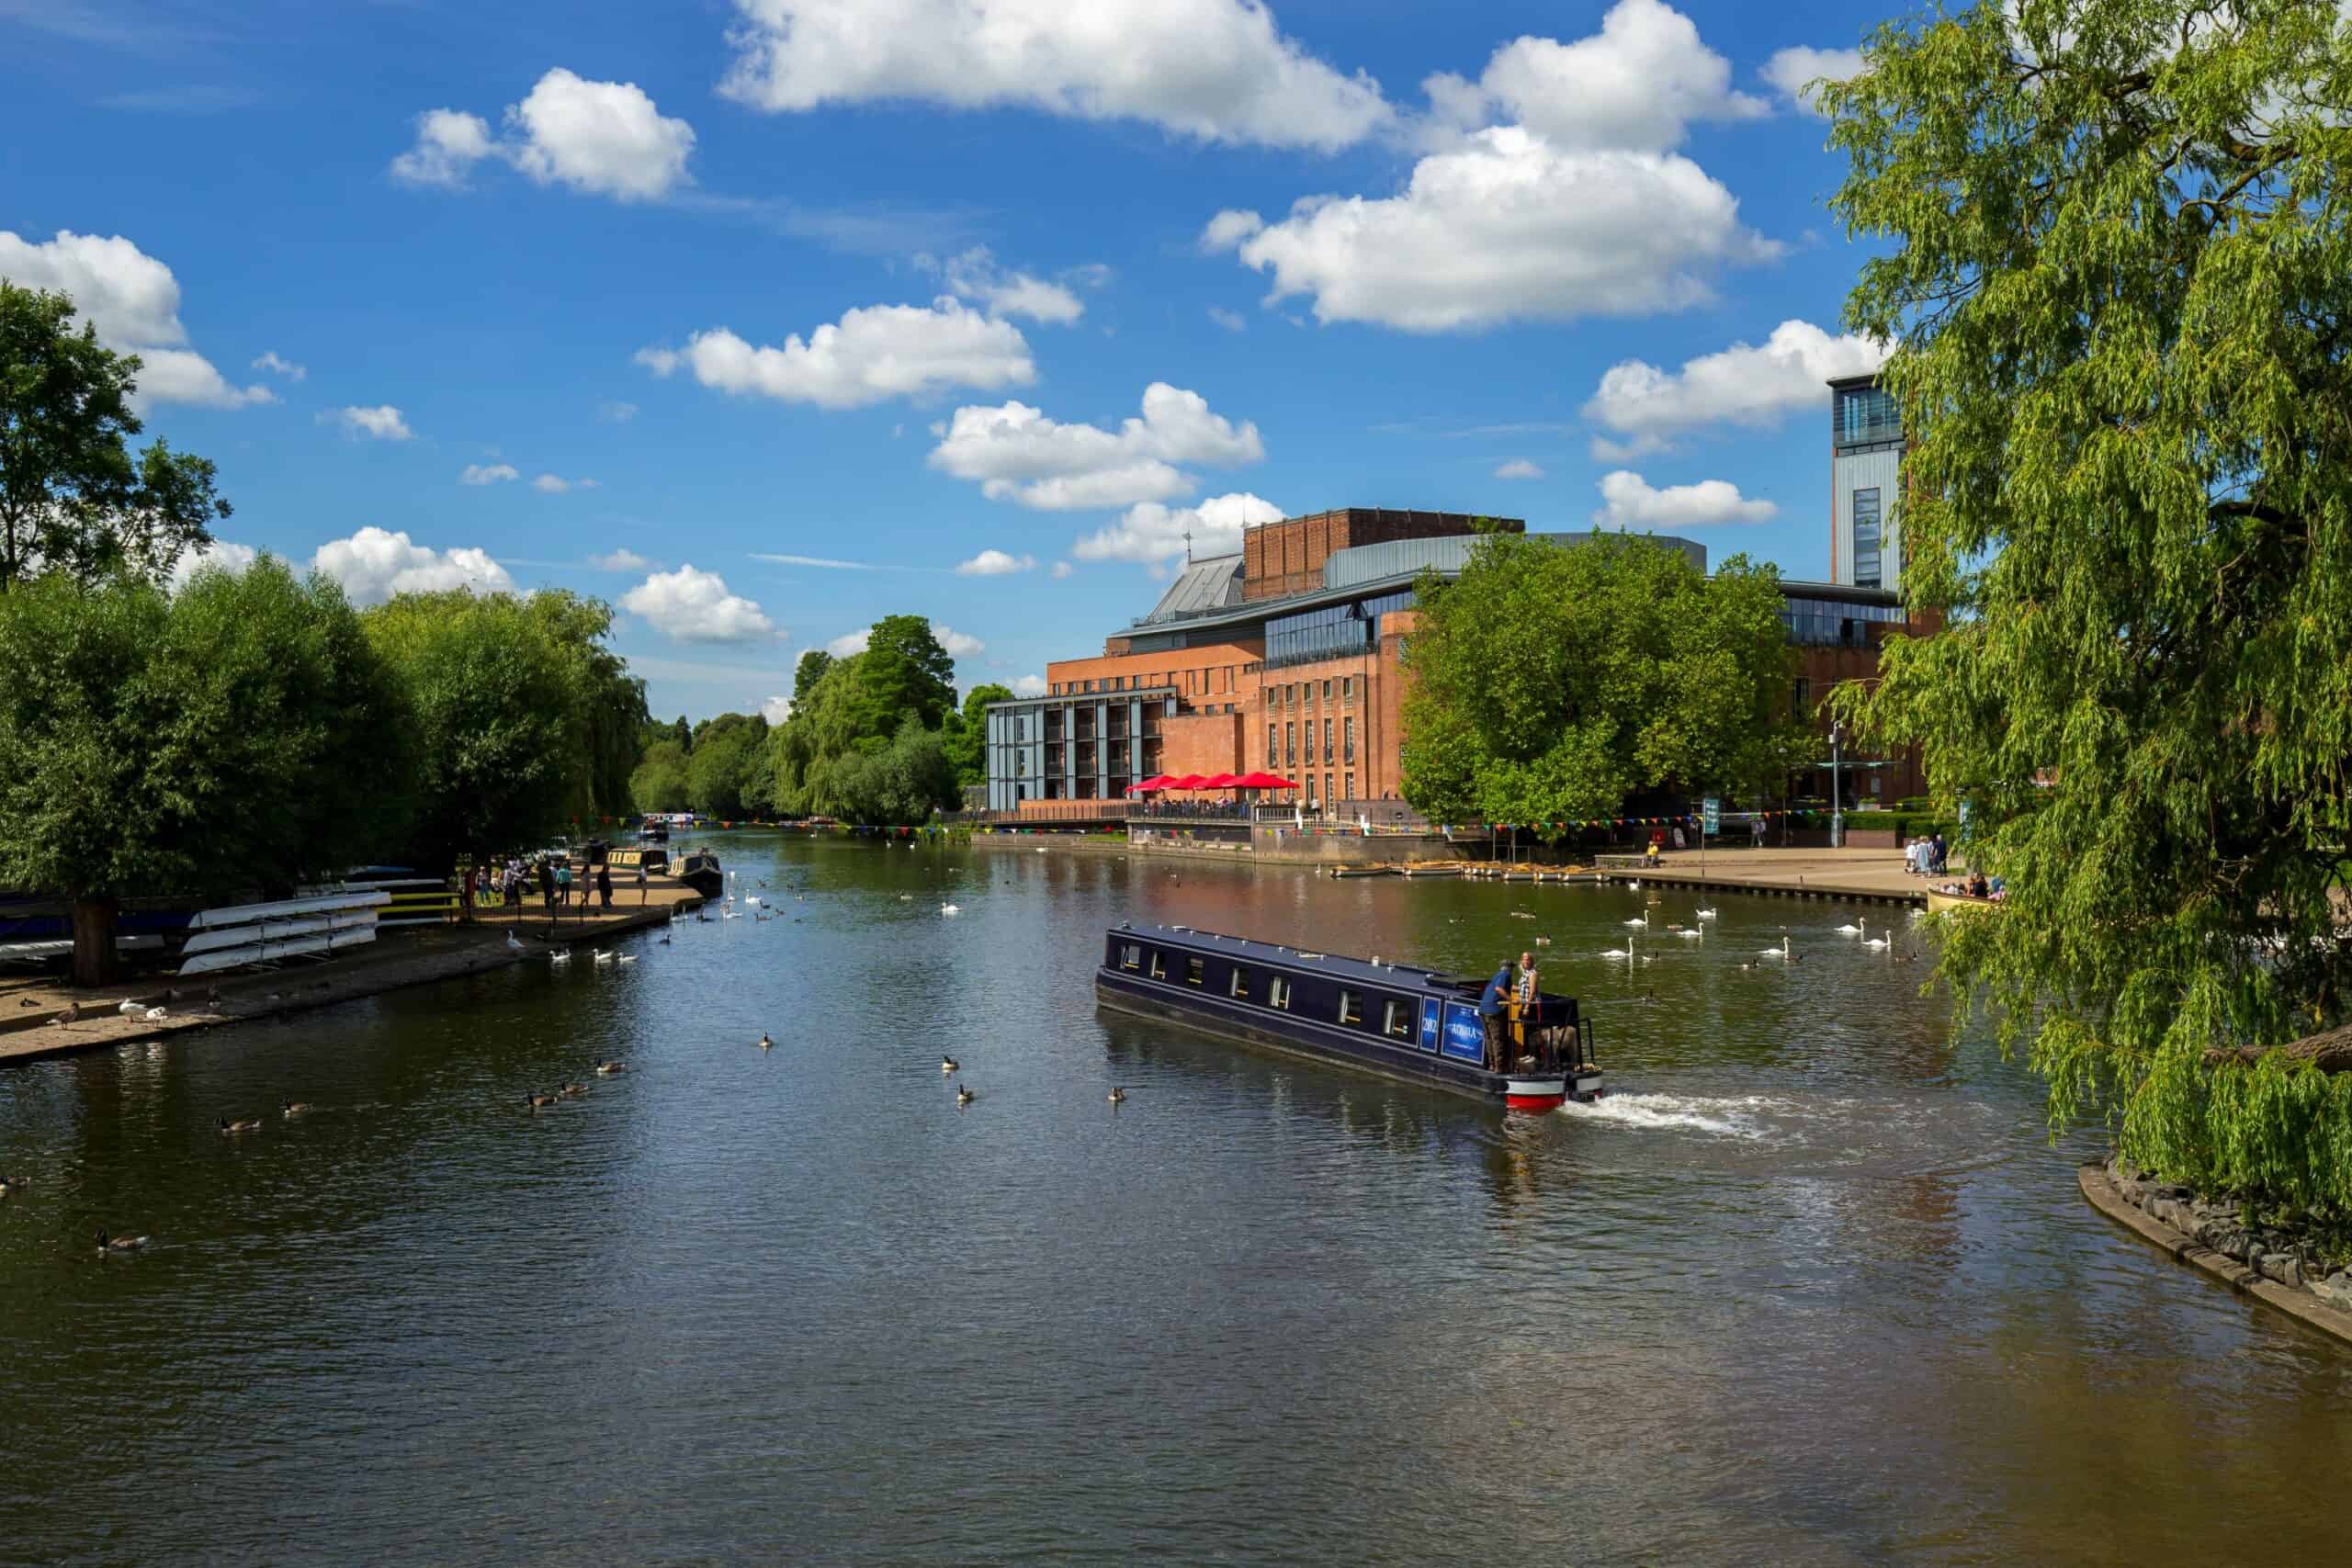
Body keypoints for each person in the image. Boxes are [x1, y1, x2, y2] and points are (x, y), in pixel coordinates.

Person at [1477, 959, 1512, 1072]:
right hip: (1493, 1011)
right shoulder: (1506, 974)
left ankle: (1492, 1065)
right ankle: (1500, 1067)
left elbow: (1496, 987)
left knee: (1488, 1038)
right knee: (1498, 1039)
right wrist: (1511, 1000)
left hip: (1483, 1009)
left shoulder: (1497, 975)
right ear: (1510, 968)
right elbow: (1499, 989)